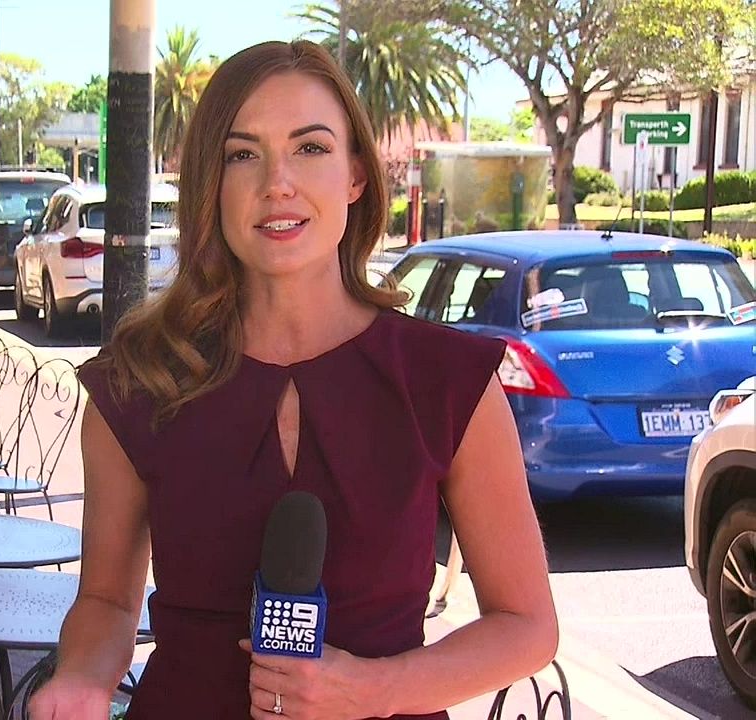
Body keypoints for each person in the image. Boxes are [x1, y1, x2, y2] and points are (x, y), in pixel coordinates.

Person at [28, 40, 557, 720]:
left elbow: (526, 625)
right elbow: (106, 601)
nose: (277, 182)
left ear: (356, 175)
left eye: (310, 148)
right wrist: (80, 679)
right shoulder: (140, 382)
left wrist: (371, 691)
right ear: (210, 183)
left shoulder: (448, 381)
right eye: (242, 155)